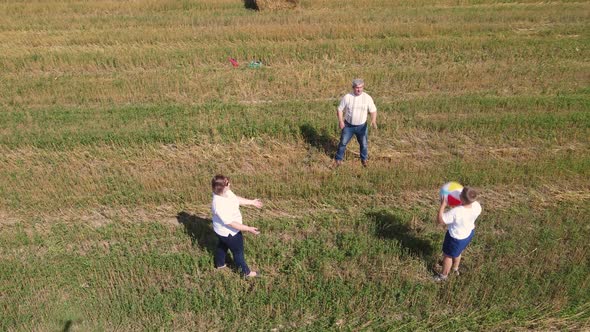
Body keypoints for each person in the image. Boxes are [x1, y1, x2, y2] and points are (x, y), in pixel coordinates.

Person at [211, 175, 263, 278]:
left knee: (222, 245)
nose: (229, 184)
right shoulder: (219, 204)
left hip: (221, 231)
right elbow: (230, 223)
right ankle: (246, 273)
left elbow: (235, 199)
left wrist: (252, 202)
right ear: (222, 187)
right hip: (230, 232)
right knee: (238, 252)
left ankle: (220, 264)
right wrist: (248, 229)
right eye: (227, 183)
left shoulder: (224, 192)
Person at [434, 187, 482, 281]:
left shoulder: (456, 212)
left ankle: (444, 276)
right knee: (458, 252)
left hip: (455, 238)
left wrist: (443, 205)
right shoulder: (477, 205)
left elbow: (440, 221)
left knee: (447, 256)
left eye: (460, 194)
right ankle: (455, 269)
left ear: (462, 199)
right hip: (468, 234)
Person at [334, 78, 377, 167]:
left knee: (364, 144)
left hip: (362, 126)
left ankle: (364, 160)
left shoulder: (367, 98)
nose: (359, 89)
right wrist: (341, 121)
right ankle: (338, 160)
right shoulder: (347, 97)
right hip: (348, 126)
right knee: (343, 143)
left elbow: (373, 110)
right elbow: (340, 109)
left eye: (361, 87)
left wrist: (373, 120)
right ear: (353, 87)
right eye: (357, 87)